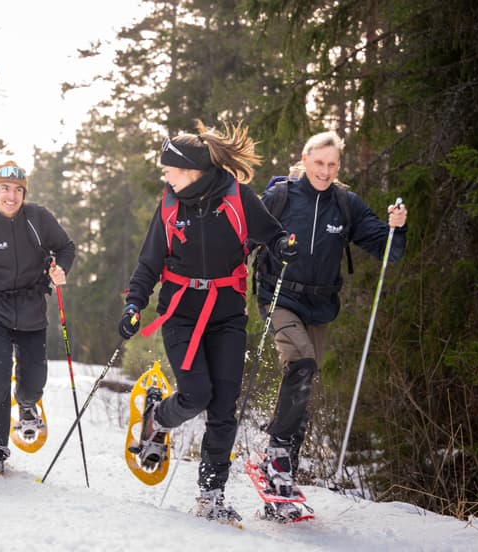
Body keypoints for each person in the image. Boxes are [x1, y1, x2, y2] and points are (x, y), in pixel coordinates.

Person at [119, 123, 296, 521]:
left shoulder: (237, 198)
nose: (165, 176)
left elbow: (271, 233)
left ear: (193, 170)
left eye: (170, 170)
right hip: (180, 315)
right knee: (195, 394)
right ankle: (156, 420)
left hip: (227, 316)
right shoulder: (168, 205)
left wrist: (282, 244)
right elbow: (149, 263)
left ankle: (210, 494)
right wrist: (134, 304)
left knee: (223, 408)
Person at [254, 130, 407, 494]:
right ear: (305, 160)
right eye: (319, 163)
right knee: (302, 362)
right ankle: (277, 453)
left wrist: (396, 228)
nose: (324, 170)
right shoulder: (280, 196)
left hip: (320, 307)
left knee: (303, 384)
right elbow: (247, 234)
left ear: (339, 166)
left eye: (332, 164)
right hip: (278, 296)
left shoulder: (345, 204)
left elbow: (387, 248)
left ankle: (282, 467)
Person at [0, 160, 75, 474]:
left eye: (18, 190)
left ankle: (26, 404)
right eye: (5, 189)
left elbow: (66, 247)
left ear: (24, 193)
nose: (11, 196)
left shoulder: (38, 218)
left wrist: (61, 268)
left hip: (34, 308)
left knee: (34, 379)